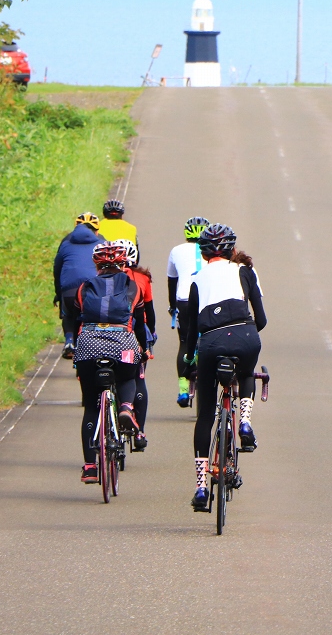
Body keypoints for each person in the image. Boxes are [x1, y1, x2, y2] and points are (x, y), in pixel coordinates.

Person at [178, 223, 267, 511]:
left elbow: (191, 333)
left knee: (205, 416)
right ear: (231, 249)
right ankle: (244, 421)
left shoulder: (196, 280)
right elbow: (261, 318)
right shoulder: (244, 271)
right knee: (246, 373)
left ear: (203, 254)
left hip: (211, 343)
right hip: (245, 336)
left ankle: (201, 488)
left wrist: (190, 360)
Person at [72, 241, 146, 484]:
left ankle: (91, 466)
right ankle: (125, 407)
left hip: (88, 345)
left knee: (91, 406)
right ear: (123, 263)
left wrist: (76, 347)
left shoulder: (84, 288)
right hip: (122, 343)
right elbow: (139, 323)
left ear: (97, 264)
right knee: (128, 376)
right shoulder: (133, 286)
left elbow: (76, 322)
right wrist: (142, 350)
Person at [115, 238, 156, 451]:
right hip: (136, 335)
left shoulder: (98, 280)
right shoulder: (142, 279)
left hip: (102, 337)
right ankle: (139, 431)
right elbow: (148, 313)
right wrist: (151, 337)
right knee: (137, 379)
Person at [167, 216, 210, 407]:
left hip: (184, 300)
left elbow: (172, 281)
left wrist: (172, 307)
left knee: (185, 342)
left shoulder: (176, 250)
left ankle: (183, 389)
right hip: (207, 299)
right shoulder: (212, 250)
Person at [53, 212, 104, 359]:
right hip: (92, 288)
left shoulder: (66, 243)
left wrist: (59, 293)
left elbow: (57, 270)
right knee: (94, 316)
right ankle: (94, 345)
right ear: (97, 230)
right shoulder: (102, 243)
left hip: (69, 290)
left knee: (68, 314)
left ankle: (69, 341)